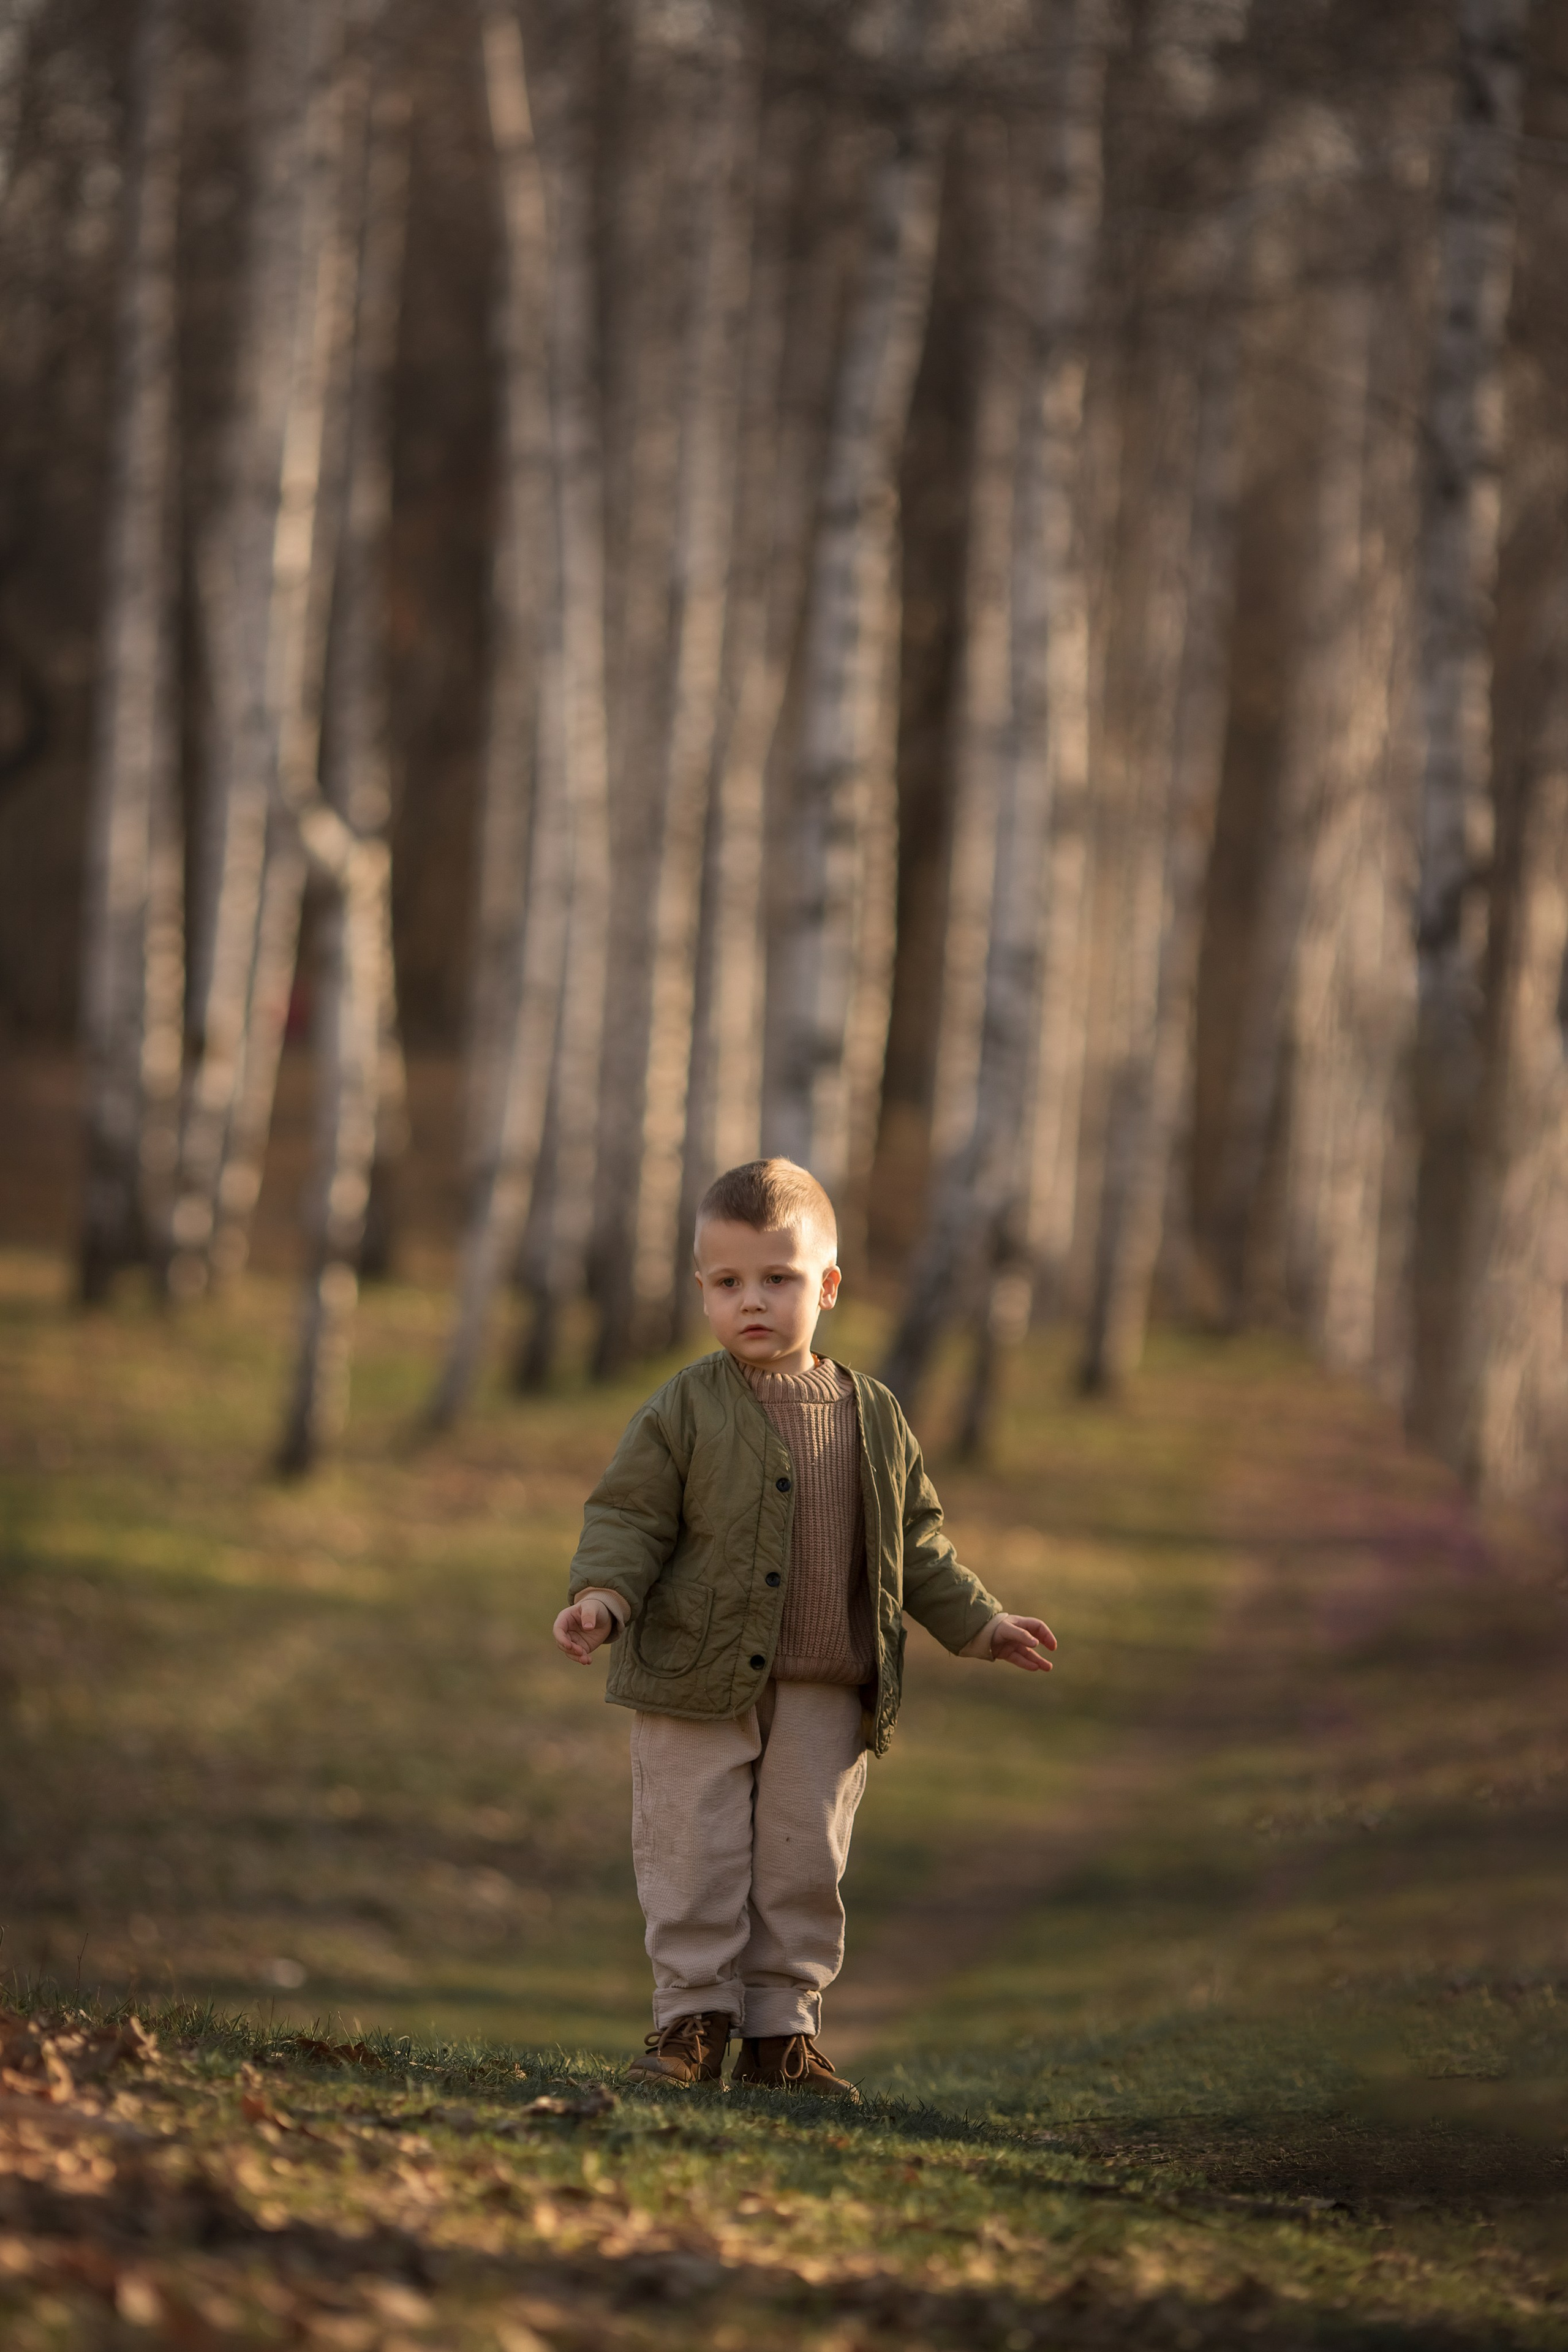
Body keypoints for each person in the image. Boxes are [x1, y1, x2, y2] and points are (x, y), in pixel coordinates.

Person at [552, 1157, 1056, 2098]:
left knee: (802, 1859)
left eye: (778, 1280)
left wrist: (980, 1625)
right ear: (701, 1290)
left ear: (826, 1287)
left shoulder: (873, 1414)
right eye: (730, 1282)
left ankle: (782, 2034)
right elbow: (629, 1517)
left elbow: (915, 1541)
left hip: (828, 1680)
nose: (755, 1301)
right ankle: (691, 2019)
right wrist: (604, 1599)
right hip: (691, 1682)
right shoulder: (684, 1410)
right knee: (692, 1851)